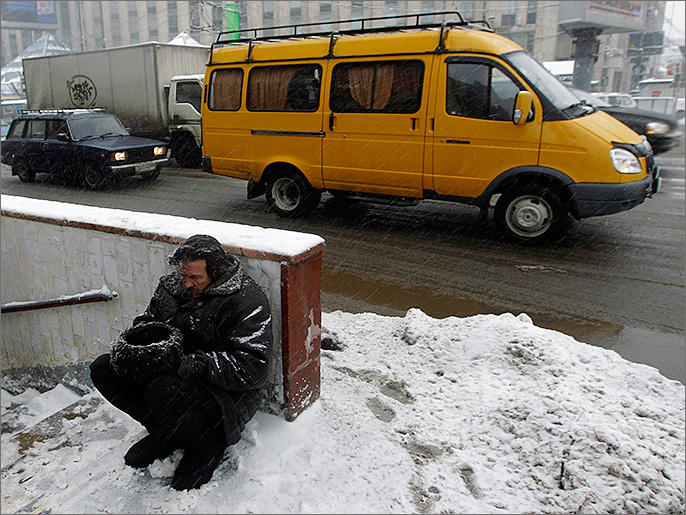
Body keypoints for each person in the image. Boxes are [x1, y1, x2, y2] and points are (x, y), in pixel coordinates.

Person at [90, 234, 273, 490]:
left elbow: (253, 369)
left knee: (161, 388)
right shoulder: (172, 286)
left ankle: (207, 445)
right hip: (173, 376)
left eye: (195, 278)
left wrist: (185, 363)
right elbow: (149, 320)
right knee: (105, 369)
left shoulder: (245, 299)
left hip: (225, 397)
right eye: (183, 275)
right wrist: (140, 344)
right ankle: (166, 432)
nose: (187, 283)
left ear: (216, 272)